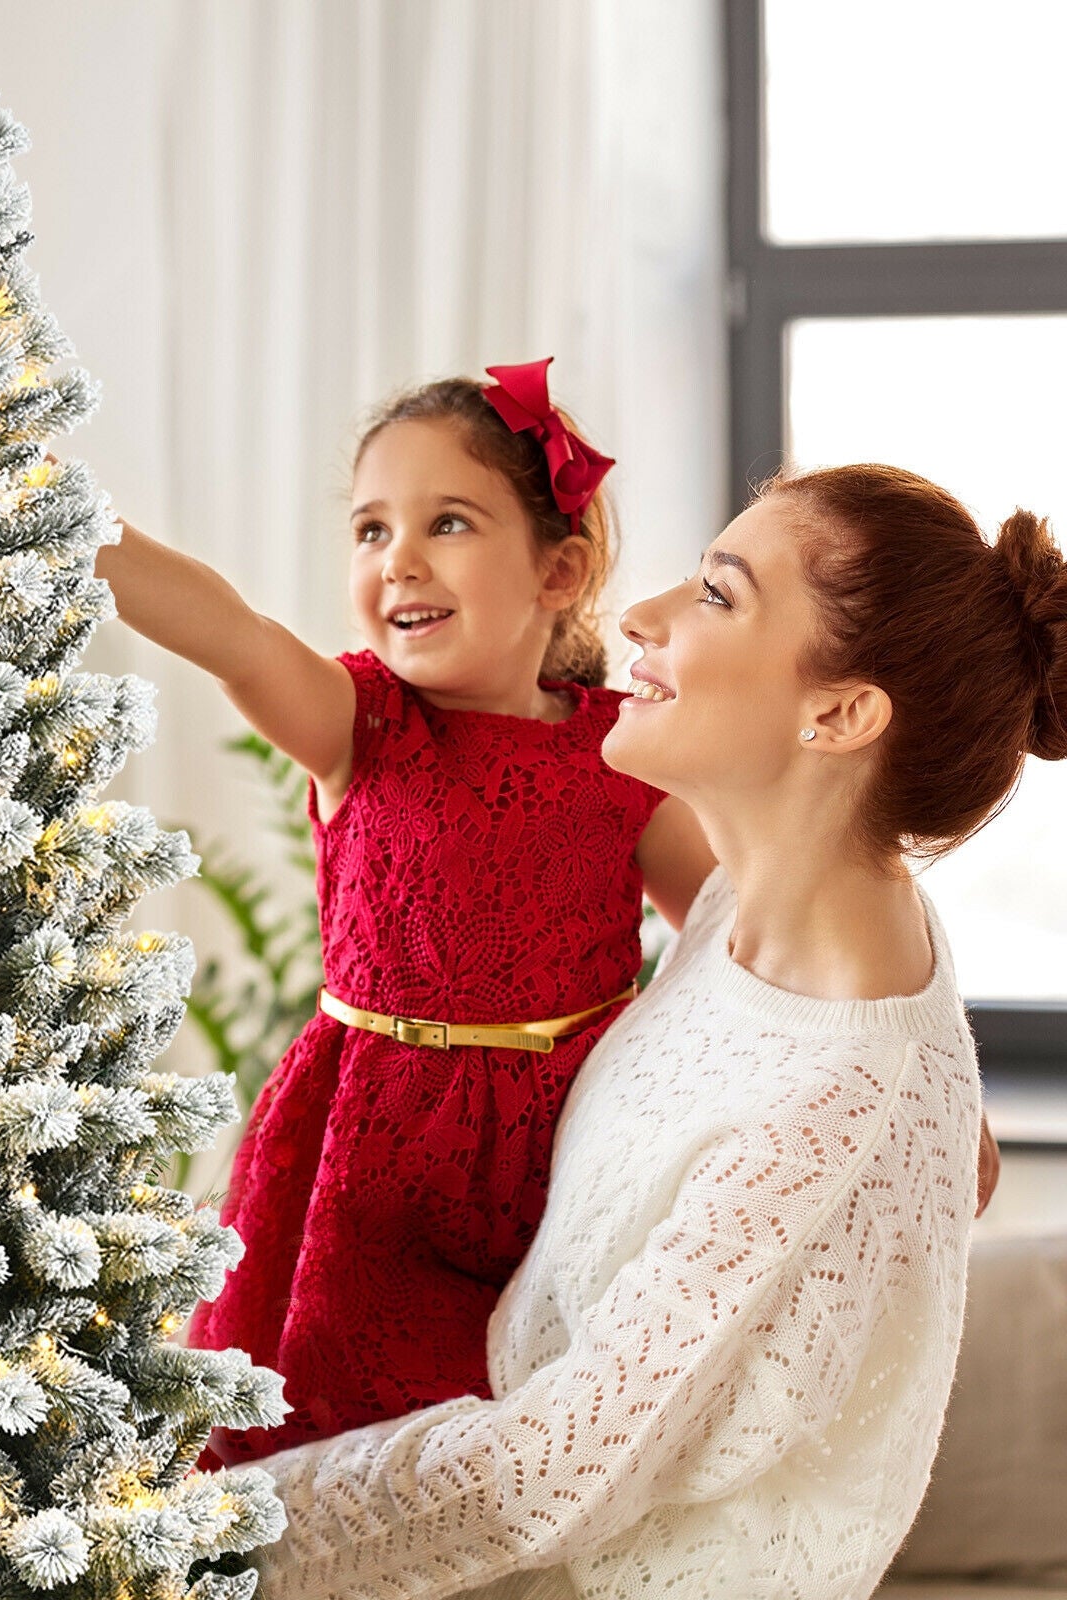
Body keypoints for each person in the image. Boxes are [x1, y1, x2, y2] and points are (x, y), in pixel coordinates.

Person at [246, 463, 1052, 1600]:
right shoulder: (771, 904)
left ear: (839, 715)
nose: (638, 616)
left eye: (718, 595)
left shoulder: (829, 1101)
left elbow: (543, 1472)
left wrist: (192, 1527)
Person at [95, 360, 718, 1461]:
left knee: (520, 1454)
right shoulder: (359, 722)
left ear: (559, 570)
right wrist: (53, 510)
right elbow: (230, 633)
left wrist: (910, 1080)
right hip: (362, 1164)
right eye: (371, 529)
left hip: (563, 1160)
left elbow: (742, 939)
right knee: (325, 1450)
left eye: (449, 522)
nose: (400, 561)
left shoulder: (623, 753)